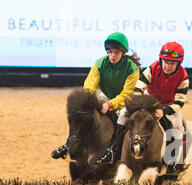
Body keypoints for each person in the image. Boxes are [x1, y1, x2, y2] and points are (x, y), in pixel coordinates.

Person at [51, 32, 140, 164]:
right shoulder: (99, 64)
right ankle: (69, 143)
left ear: (123, 53)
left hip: (126, 99)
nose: (112, 56)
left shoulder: (132, 68)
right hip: (106, 95)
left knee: (123, 117)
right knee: (82, 114)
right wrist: (87, 101)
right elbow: (89, 87)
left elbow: (126, 94)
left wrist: (109, 105)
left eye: (116, 52)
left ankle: (112, 150)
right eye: (110, 52)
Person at [134, 41, 189, 175]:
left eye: (172, 63)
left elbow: (179, 103)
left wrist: (163, 111)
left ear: (178, 64)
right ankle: (113, 150)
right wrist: (140, 105)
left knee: (178, 129)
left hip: (169, 105)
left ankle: (171, 163)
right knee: (124, 116)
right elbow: (138, 89)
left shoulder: (183, 76)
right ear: (161, 60)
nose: (168, 66)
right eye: (165, 62)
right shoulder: (152, 68)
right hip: (149, 101)